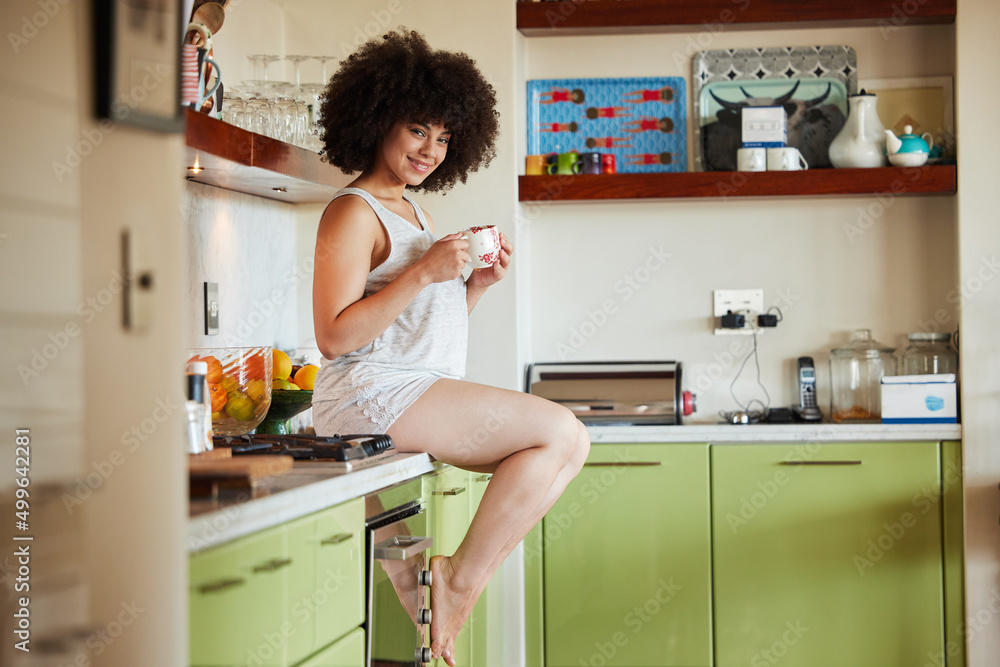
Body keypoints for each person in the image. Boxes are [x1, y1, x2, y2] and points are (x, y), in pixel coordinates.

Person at [312, 29, 590, 666]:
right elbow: (333, 335)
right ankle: (458, 579)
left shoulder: (414, 214)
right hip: (367, 394)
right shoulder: (351, 213)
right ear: (378, 118)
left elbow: (417, 330)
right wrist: (424, 272)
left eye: (443, 138)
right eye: (417, 130)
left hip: (408, 386)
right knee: (557, 431)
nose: (430, 151)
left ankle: (451, 582)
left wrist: (475, 288)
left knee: (573, 442)